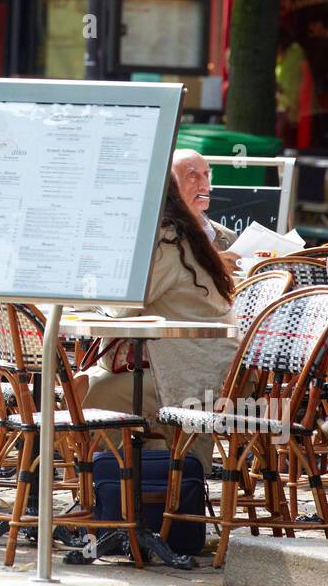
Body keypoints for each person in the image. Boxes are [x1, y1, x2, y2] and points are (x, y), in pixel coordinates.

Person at [78, 180, 239, 471]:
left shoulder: (166, 241)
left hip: (198, 371)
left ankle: (125, 486)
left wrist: (88, 293)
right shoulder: (171, 235)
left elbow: (122, 306)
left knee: (101, 394)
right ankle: (133, 484)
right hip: (180, 361)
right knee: (84, 385)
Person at [170, 149, 239, 274]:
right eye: (193, 176)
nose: (205, 186)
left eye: (206, 175)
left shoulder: (228, 237)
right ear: (170, 185)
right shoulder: (158, 237)